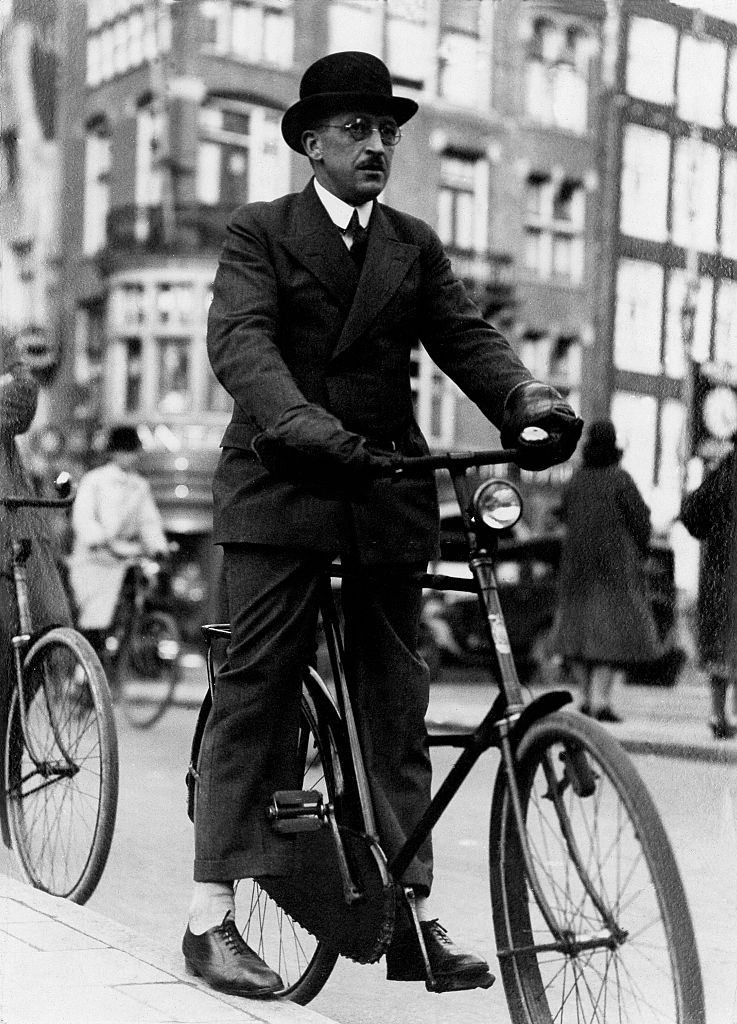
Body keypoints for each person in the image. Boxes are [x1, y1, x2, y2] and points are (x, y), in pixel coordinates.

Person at [184, 50, 583, 998]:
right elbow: (240, 340)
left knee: (394, 703)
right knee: (259, 687)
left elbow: (465, 337)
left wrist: (527, 398)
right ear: (311, 144)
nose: (377, 145)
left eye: (387, 131)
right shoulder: (261, 232)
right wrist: (295, 419)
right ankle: (209, 917)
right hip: (283, 483)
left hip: (381, 487)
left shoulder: (411, 242)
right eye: (357, 130)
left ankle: (404, 911)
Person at [552, 419, 664, 723]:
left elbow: (561, 514)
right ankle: (600, 701)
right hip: (615, 569)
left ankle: (587, 698)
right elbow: (641, 520)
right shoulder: (620, 479)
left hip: (577, 571)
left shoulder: (577, 480)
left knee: (577, 638)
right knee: (611, 637)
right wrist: (643, 551)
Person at [0, 331, 73, 771]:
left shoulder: (3, 339)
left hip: (8, 508)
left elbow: (22, 402)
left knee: (44, 620)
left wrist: (12, 386)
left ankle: (9, 744)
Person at [68, 425, 169, 652]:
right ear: (114, 453)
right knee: (93, 617)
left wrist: (158, 545)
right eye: (125, 451)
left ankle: (121, 654)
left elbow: (148, 520)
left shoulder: (139, 486)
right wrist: (97, 538)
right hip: (94, 559)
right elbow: (83, 516)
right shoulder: (94, 480)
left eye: (133, 452)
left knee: (132, 600)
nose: (130, 457)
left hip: (123, 556)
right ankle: (85, 669)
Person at [680, 444, 737, 739]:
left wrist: (712, 533)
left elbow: (689, 512)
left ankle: (718, 714)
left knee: (720, 645)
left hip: (718, 573)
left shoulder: (722, 472)